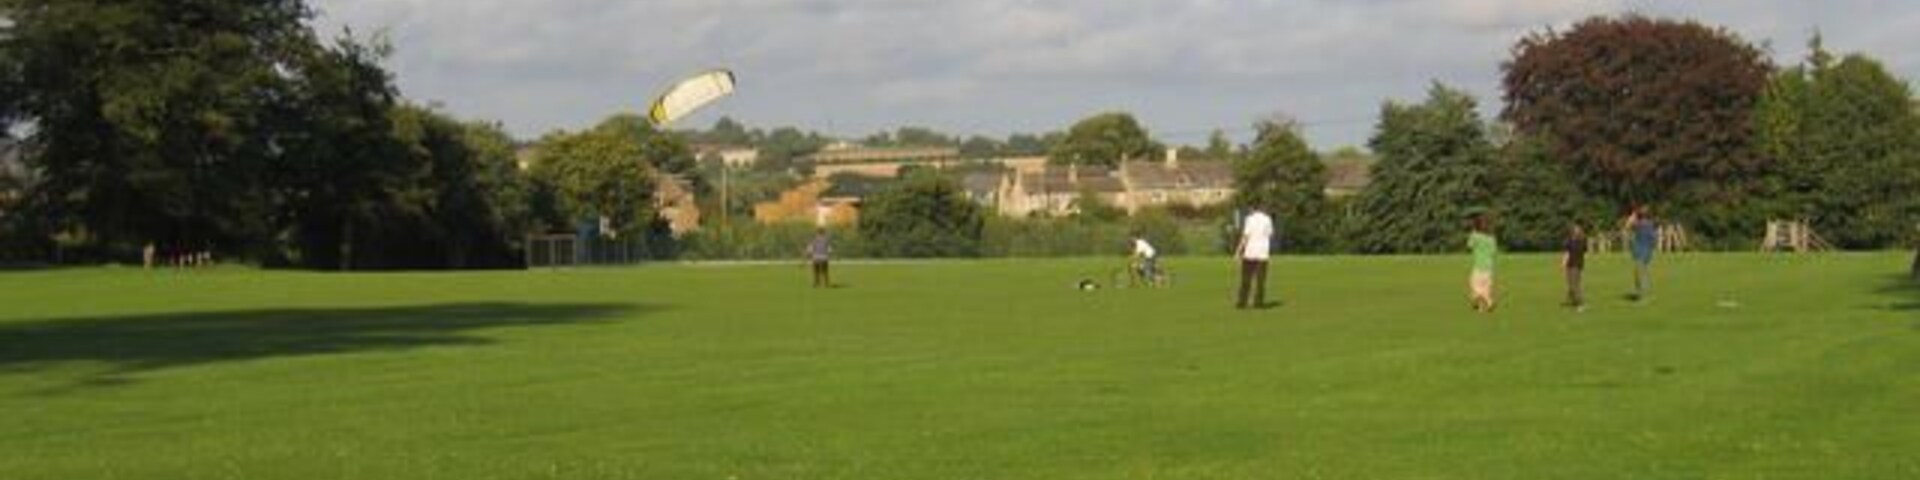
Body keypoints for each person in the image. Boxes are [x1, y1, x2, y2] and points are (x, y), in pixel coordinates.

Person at [1234, 207, 1275, 309]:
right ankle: (1258, 303)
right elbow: (1270, 234)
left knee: (1246, 279)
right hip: (1263, 253)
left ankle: (1242, 302)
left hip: (1250, 253)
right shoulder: (1267, 219)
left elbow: (1245, 236)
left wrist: (1238, 251)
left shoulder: (1249, 219)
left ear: (1252, 208)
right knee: (1260, 280)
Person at [1623, 205, 1658, 302]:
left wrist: (1632, 216)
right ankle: (1642, 290)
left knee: (1638, 270)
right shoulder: (1650, 224)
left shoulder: (1640, 224)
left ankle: (1640, 292)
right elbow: (1654, 238)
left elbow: (1627, 227)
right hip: (1646, 249)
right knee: (1643, 270)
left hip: (1640, 249)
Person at [1467, 215, 1499, 313]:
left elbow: (1469, 246)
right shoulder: (1492, 238)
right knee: (1485, 288)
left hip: (1478, 266)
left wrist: (1473, 234)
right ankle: (1480, 307)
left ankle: (1488, 302)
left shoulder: (1475, 236)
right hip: (1489, 267)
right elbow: (1494, 252)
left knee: (1474, 286)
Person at [1562, 224, 1588, 311]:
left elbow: (1583, 253)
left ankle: (1579, 303)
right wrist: (1564, 264)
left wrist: (1563, 263)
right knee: (1571, 284)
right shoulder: (1569, 242)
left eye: (1578, 231)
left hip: (1576, 265)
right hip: (1571, 265)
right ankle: (1572, 300)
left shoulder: (1581, 242)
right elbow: (1567, 253)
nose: (1577, 232)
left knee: (1575, 285)